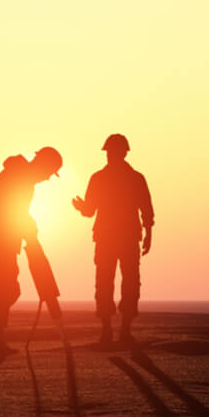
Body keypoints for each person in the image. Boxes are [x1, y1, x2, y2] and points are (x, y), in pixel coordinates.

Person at [0, 146, 63, 352]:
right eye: (49, 173)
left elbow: (16, 211)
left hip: (6, 243)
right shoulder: (15, 176)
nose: (48, 178)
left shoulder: (24, 181)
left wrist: (25, 223)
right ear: (43, 165)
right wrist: (17, 224)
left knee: (6, 289)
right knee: (7, 289)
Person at [72, 134, 154, 345]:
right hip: (112, 238)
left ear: (123, 153)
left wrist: (148, 233)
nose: (110, 156)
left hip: (121, 238)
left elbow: (146, 208)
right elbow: (90, 210)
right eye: (109, 152)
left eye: (113, 152)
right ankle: (109, 330)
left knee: (123, 282)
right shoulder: (110, 178)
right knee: (109, 282)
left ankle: (119, 330)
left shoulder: (130, 178)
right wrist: (82, 207)